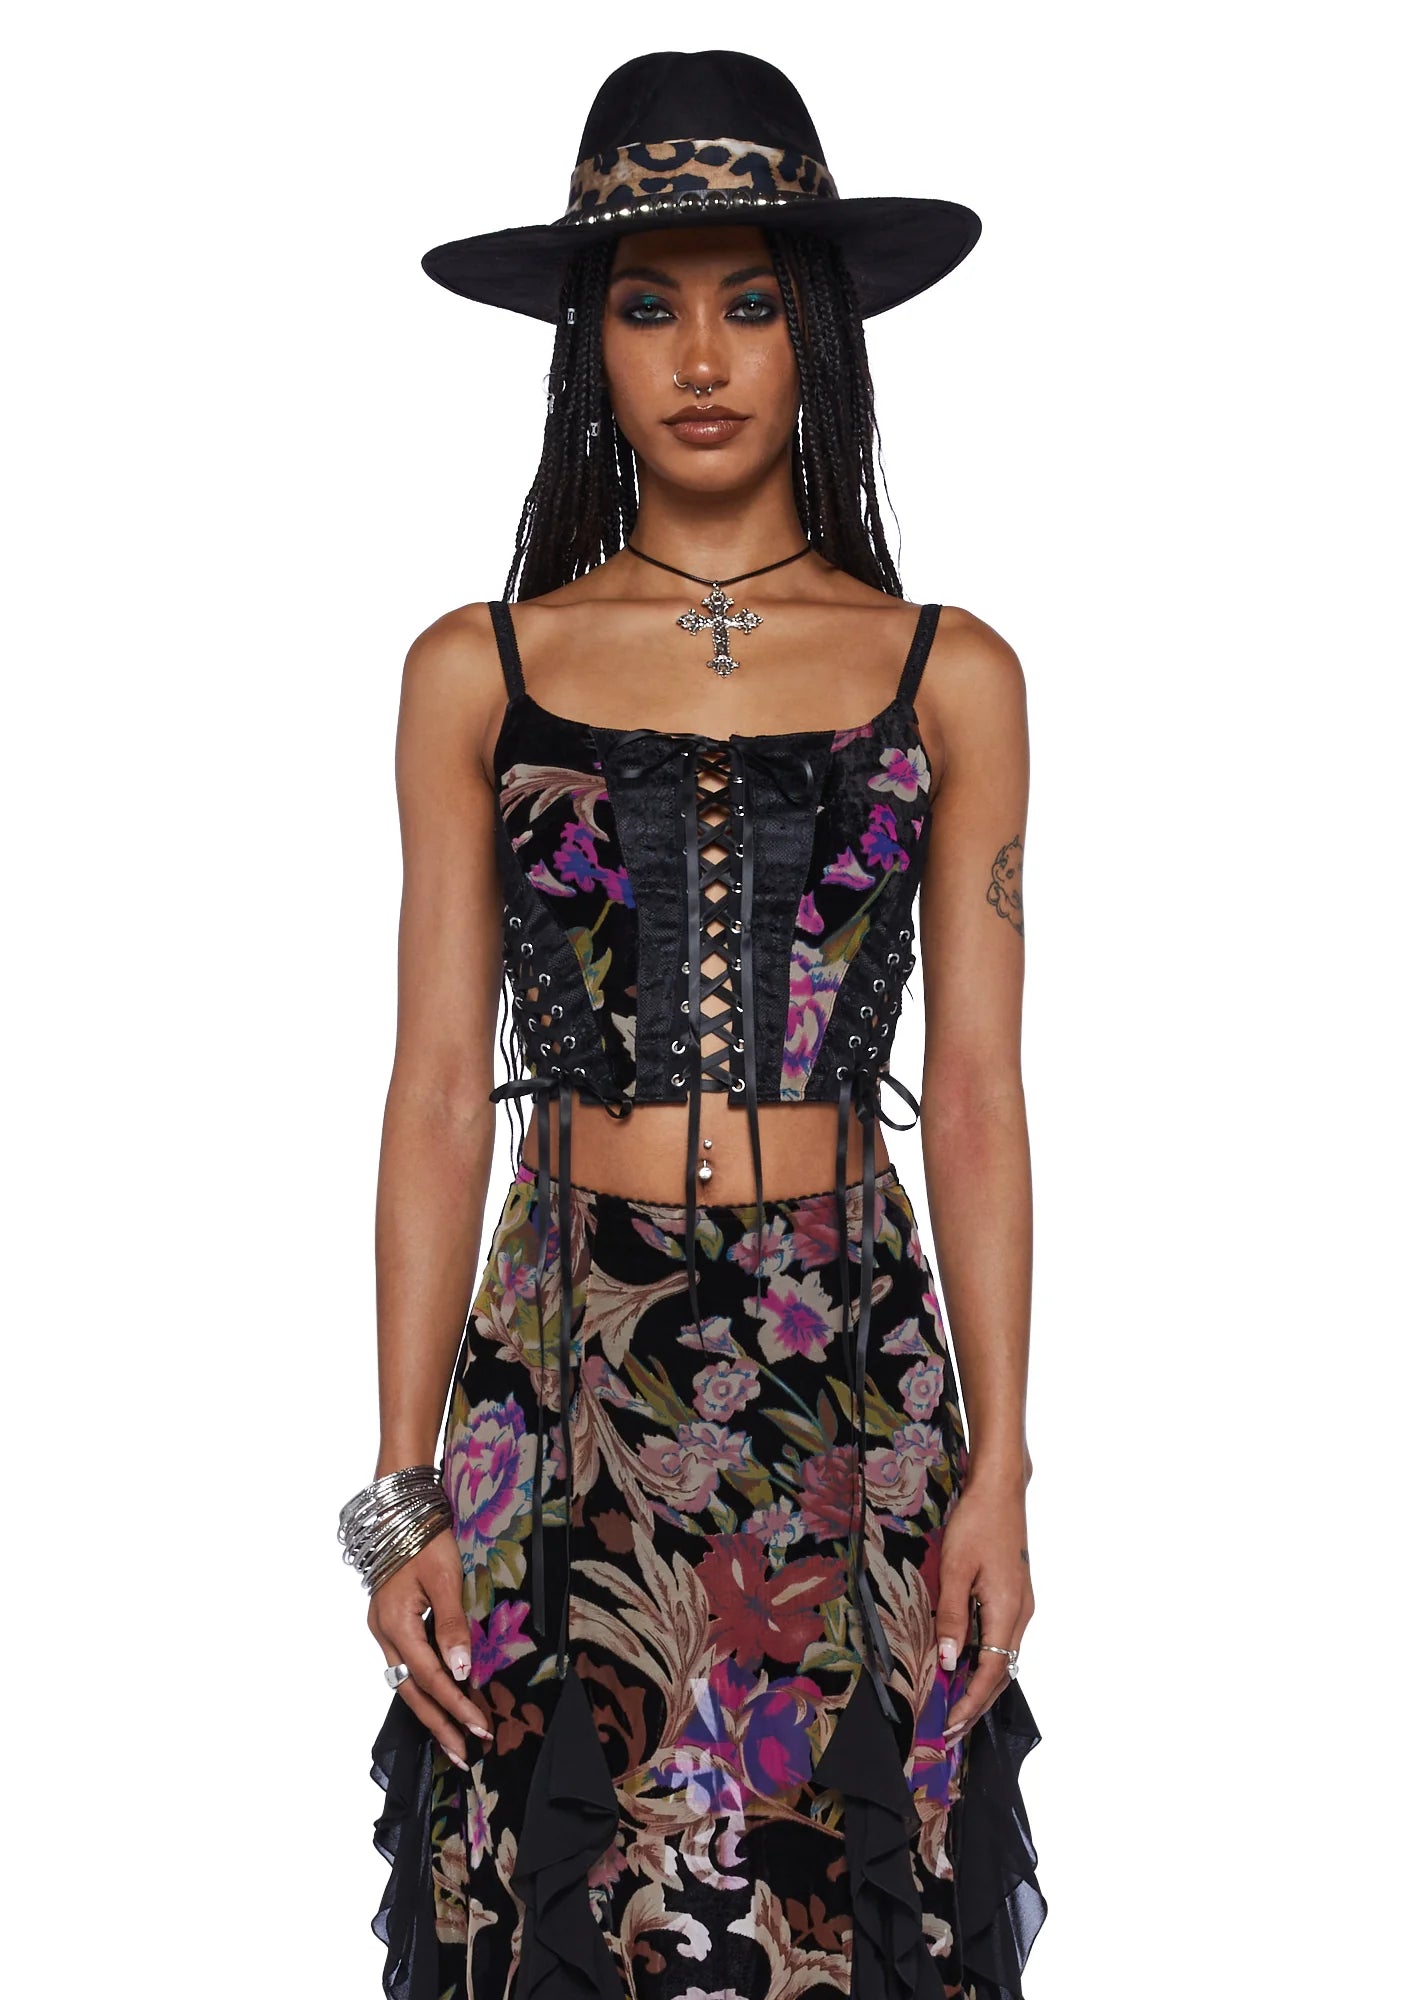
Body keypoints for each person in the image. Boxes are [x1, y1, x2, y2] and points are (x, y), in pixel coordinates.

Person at [337, 47, 1048, 2000]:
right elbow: (434, 1095)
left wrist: (1001, 1464)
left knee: (849, 1894)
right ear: (590, 343)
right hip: (564, 1362)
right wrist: (398, 1491)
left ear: (819, 330)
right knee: (566, 1892)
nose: (704, 357)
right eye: (649, 305)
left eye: (750, 301)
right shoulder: (477, 669)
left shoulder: (949, 673)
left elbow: (975, 1098)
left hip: (849, 1368)